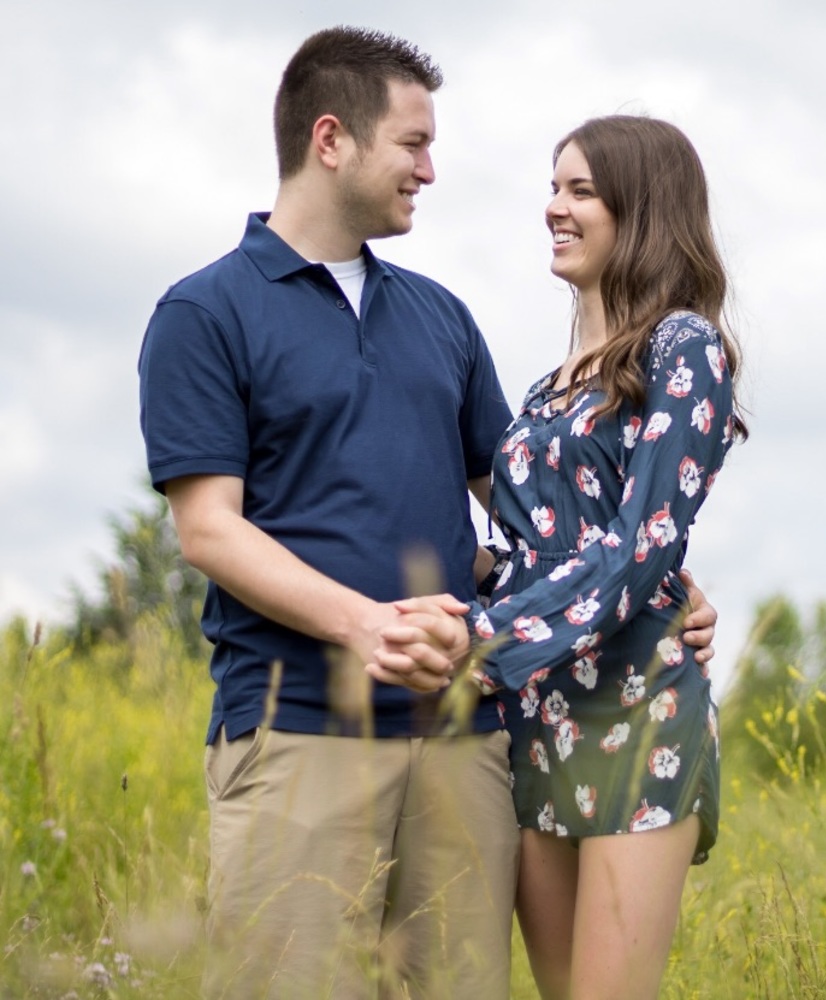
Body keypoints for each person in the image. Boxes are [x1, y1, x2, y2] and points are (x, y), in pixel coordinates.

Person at [137, 28, 719, 1000]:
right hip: (301, 729)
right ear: (333, 139)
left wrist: (664, 586)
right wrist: (374, 624)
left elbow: (544, 518)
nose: (431, 169)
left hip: (470, 738)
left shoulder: (440, 318)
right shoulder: (208, 311)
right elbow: (207, 530)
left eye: (577, 188)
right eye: (413, 144)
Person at [371, 115, 747, 1000]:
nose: (554, 208)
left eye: (580, 190)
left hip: (637, 711)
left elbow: (639, 548)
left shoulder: (682, 347)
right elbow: (531, 553)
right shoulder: (548, 388)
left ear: (642, 208)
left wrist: (480, 641)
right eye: (553, 187)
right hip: (539, 720)